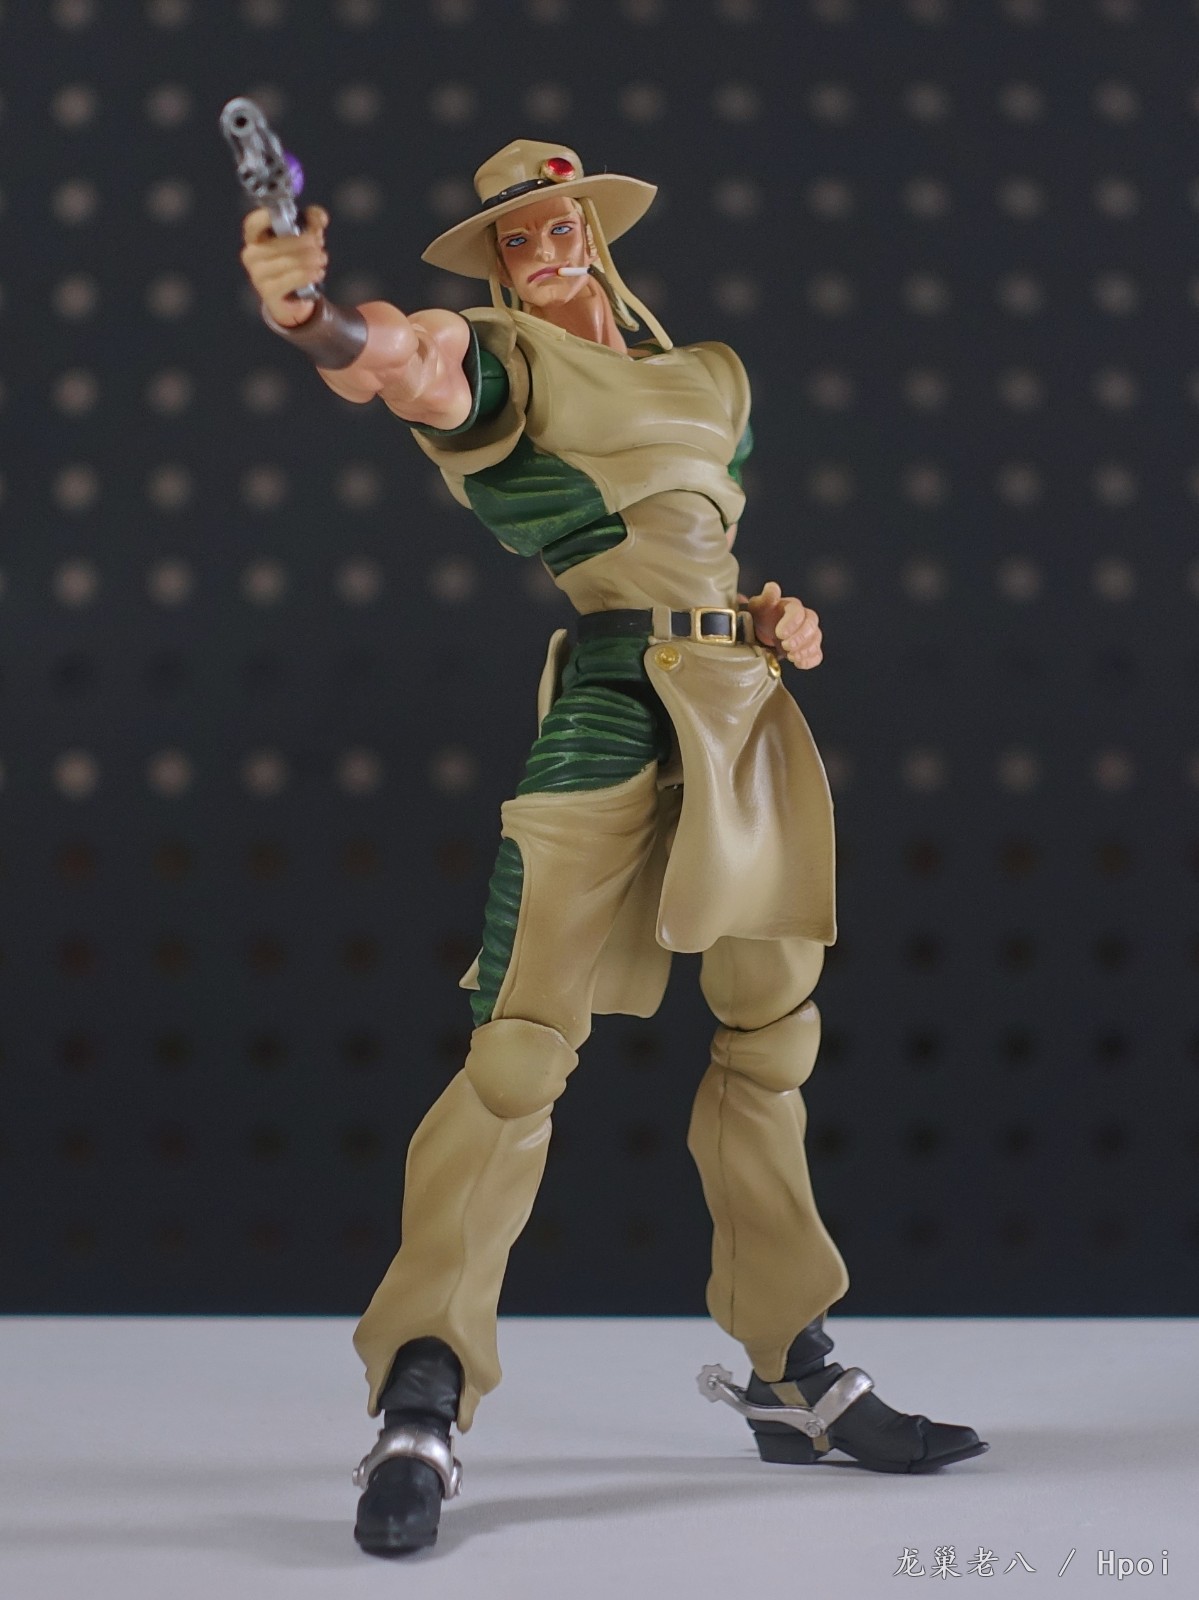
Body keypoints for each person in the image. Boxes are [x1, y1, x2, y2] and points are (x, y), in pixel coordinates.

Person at [240, 138, 987, 1558]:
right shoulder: (505, 361)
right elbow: (401, 361)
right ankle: (423, 1391)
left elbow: (697, 538)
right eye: (516, 238)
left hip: (744, 713)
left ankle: (792, 1369)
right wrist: (309, 314)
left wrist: (769, 617)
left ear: (593, 227)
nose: (545, 249)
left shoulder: (712, 378)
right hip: (609, 708)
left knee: (771, 1036)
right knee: (519, 1047)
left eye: (559, 224)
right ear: (498, 263)